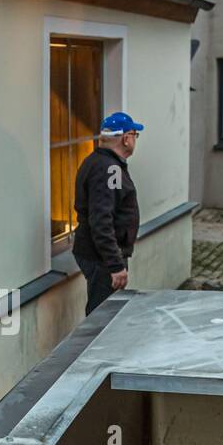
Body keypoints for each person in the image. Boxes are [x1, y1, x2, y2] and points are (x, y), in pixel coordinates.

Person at [73, 112, 142, 316]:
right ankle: (92, 348)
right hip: (101, 258)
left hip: (100, 254)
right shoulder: (109, 169)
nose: (135, 140)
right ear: (126, 138)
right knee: (101, 317)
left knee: (106, 313)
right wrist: (115, 265)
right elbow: (101, 220)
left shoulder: (100, 163)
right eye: (135, 135)